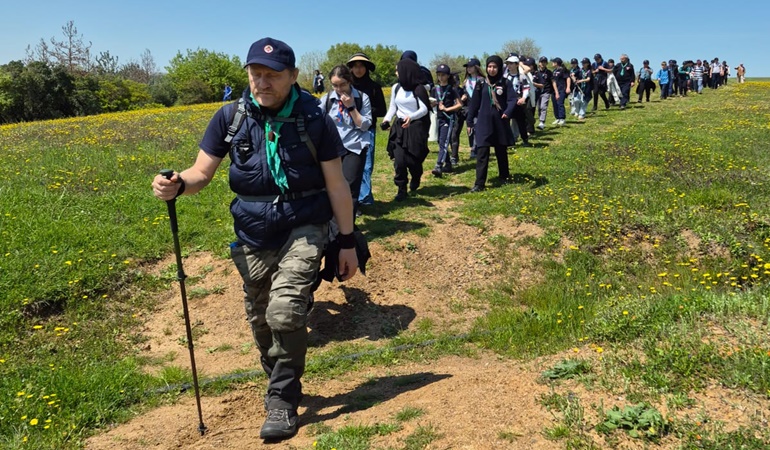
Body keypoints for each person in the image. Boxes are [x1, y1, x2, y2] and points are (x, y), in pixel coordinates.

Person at [151, 37, 358, 441]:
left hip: (304, 225)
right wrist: (177, 185)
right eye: (255, 74)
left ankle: (282, 398)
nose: (262, 82)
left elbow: (337, 186)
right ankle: (277, 374)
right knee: (261, 319)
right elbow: (201, 172)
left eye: (272, 75)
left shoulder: (315, 119)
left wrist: (346, 239)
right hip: (252, 231)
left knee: (284, 310)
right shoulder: (231, 117)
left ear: (293, 76)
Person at [319, 65, 372, 218]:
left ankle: (347, 226)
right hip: (332, 149)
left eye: (342, 84)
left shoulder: (362, 98)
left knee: (349, 189)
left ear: (349, 81)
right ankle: (333, 225)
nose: (339, 89)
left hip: (355, 147)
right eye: (335, 85)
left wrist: (351, 107)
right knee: (331, 188)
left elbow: (364, 125)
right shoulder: (327, 99)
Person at [381, 58, 431, 201]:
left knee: (414, 160)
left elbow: (424, 109)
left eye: (398, 70)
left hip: (415, 128)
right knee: (399, 160)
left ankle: (416, 175)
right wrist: (386, 120)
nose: (396, 72)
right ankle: (401, 188)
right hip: (400, 127)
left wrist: (411, 117)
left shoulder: (419, 89)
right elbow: (392, 107)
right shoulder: (396, 88)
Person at [466, 55, 516, 192]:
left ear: (499, 68)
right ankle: (479, 183)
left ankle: (504, 176)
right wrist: (469, 121)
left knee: (501, 150)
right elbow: (474, 104)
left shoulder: (505, 83)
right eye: (489, 66)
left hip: (500, 121)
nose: (492, 69)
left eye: (494, 67)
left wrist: (508, 111)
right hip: (484, 123)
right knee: (482, 151)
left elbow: (512, 99)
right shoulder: (481, 84)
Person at [347, 52, 386, 209]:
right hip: (348, 131)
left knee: (366, 164)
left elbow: (382, 110)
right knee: (350, 166)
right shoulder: (346, 87)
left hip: (367, 130)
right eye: (355, 66)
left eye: (361, 66)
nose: (358, 69)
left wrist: (364, 112)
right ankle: (356, 198)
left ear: (366, 68)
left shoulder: (374, 87)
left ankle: (364, 199)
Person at [430, 64, 462, 177]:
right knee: (440, 141)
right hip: (438, 118)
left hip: (448, 119)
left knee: (444, 142)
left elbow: (459, 104)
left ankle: (438, 166)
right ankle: (448, 164)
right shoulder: (435, 89)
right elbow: (432, 102)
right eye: (438, 75)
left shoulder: (452, 89)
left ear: (448, 76)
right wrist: (433, 104)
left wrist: (447, 109)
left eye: (443, 75)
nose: (440, 77)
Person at [504, 55, 531, 146]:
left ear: (516, 64)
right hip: (507, 103)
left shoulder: (522, 76)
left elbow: (526, 88)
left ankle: (525, 139)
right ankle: (509, 141)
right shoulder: (505, 76)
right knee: (505, 122)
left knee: (521, 122)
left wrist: (523, 98)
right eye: (508, 63)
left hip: (518, 102)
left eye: (511, 63)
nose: (509, 65)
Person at [461, 57, 484, 159]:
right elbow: (464, 93)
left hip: (480, 108)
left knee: (478, 128)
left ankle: (477, 147)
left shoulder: (482, 80)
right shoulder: (466, 81)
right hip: (469, 108)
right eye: (467, 67)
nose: (468, 69)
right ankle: (472, 148)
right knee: (470, 128)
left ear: (476, 67)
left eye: (471, 66)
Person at [532, 56, 553, 130]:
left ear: (546, 63)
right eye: (541, 62)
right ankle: (540, 120)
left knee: (543, 106)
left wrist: (554, 91)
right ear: (539, 63)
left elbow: (553, 82)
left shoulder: (549, 72)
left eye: (544, 62)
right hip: (537, 92)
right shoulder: (536, 72)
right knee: (539, 107)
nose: (543, 63)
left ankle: (542, 122)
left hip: (546, 91)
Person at [550, 57, 571, 125]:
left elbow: (568, 78)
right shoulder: (554, 71)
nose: (552, 63)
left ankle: (562, 118)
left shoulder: (563, 70)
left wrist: (568, 87)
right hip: (554, 90)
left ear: (556, 63)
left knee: (560, 103)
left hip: (561, 89)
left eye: (553, 62)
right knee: (555, 104)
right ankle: (557, 118)